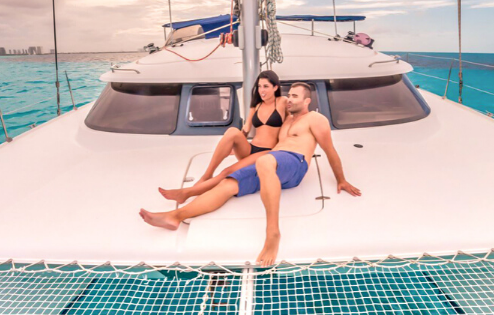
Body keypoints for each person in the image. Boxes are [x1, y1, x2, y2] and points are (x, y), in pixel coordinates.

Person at [140, 83, 361, 267]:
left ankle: (272, 233)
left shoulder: (315, 119)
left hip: (295, 163)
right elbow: (263, 115)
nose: (289, 99)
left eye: (295, 96)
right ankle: (175, 217)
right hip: (272, 164)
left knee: (265, 160)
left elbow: (330, 150)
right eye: (288, 95)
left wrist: (341, 179)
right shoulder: (286, 121)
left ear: (307, 101)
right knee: (227, 183)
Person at [162, 71, 288, 196]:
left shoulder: (283, 102)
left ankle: (188, 193)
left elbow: (292, 122)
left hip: (267, 152)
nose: (261, 90)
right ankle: (207, 175)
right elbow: (246, 128)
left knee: (227, 171)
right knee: (232, 131)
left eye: (266, 86)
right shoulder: (257, 105)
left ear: (275, 87)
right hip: (250, 149)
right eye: (259, 86)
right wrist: (234, 145)